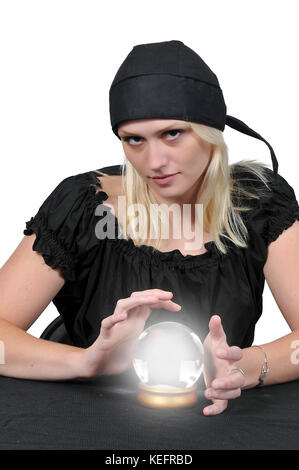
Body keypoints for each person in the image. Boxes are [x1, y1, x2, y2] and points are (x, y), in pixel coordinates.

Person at [0, 40, 298, 417]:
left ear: (210, 130)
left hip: (218, 420)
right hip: (79, 415)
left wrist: (247, 366)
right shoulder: (84, 208)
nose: (153, 161)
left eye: (172, 133)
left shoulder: (260, 204)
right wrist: (88, 362)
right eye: (134, 140)